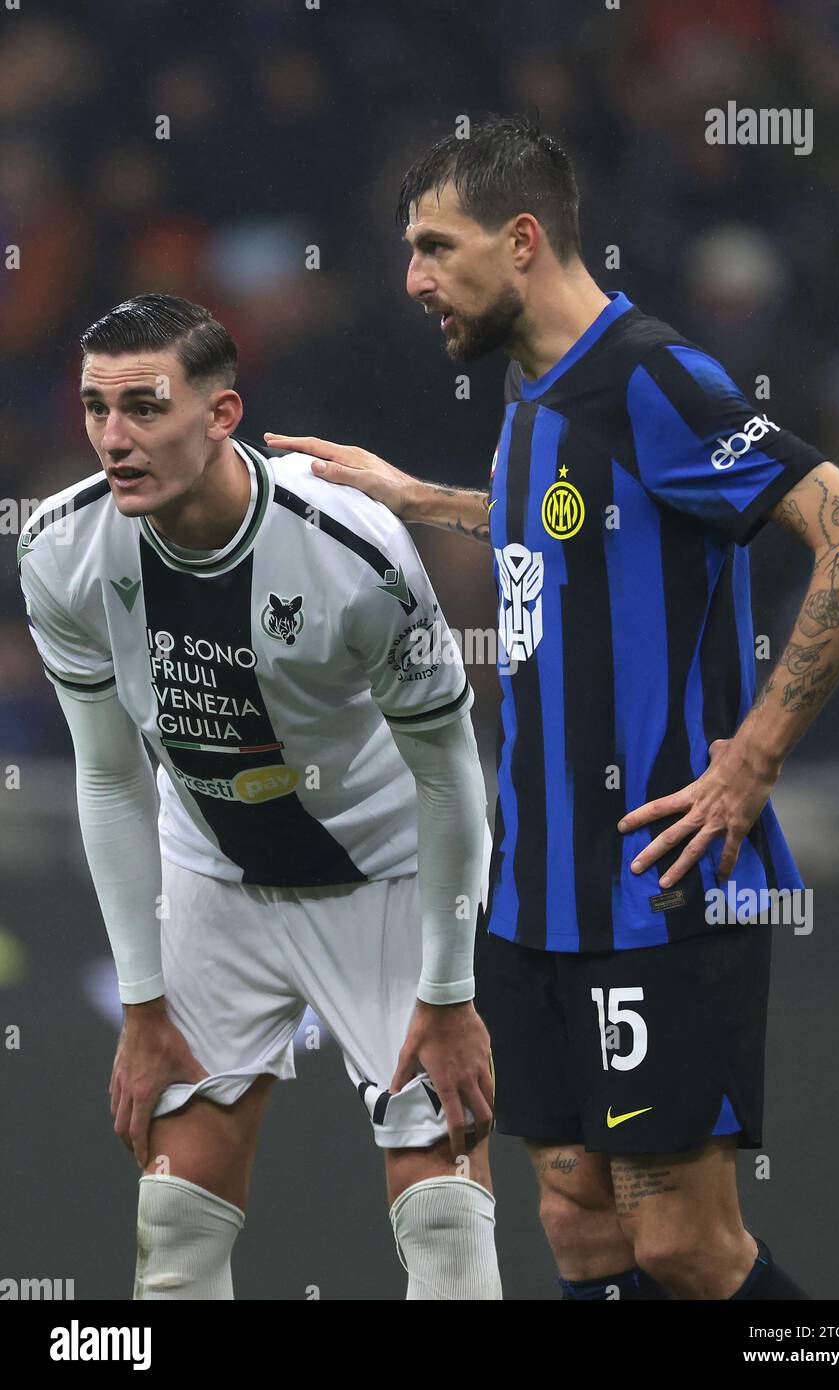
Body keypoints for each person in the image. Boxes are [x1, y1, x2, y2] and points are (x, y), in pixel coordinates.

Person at [265, 114, 839, 1301]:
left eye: (432, 247)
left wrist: (754, 757)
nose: (411, 279)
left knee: (682, 1239)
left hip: (654, 878)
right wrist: (420, 498)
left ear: (521, 240)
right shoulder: (535, 394)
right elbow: (574, 527)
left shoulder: (653, 374)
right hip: (533, 890)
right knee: (576, 1217)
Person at [18, 292, 501, 1301]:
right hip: (215, 879)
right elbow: (110, 776)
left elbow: (452, 766)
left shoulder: (355, 548)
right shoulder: (60, 552)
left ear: (222, 414)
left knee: (445, 1214)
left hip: (382, 878)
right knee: (173, 1220)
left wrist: (450, 990)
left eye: (146, 406)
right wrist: (143, 1001)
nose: (115, 437)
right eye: (97, 408)